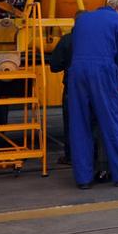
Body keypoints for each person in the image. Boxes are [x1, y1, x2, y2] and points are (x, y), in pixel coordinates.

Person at [66, 0, 118, 189]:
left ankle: (83, 178)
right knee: (111, 123)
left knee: (79, 124)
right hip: (102, 70)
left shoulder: (83, 19)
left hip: (76, 72)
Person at [48, 25, 75, 165]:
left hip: (72, 86)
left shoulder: (67, 40)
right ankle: (94, 153)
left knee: (71, 122)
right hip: (94, 85)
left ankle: (70, 156)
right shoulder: (96, 39)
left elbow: (55, 65)